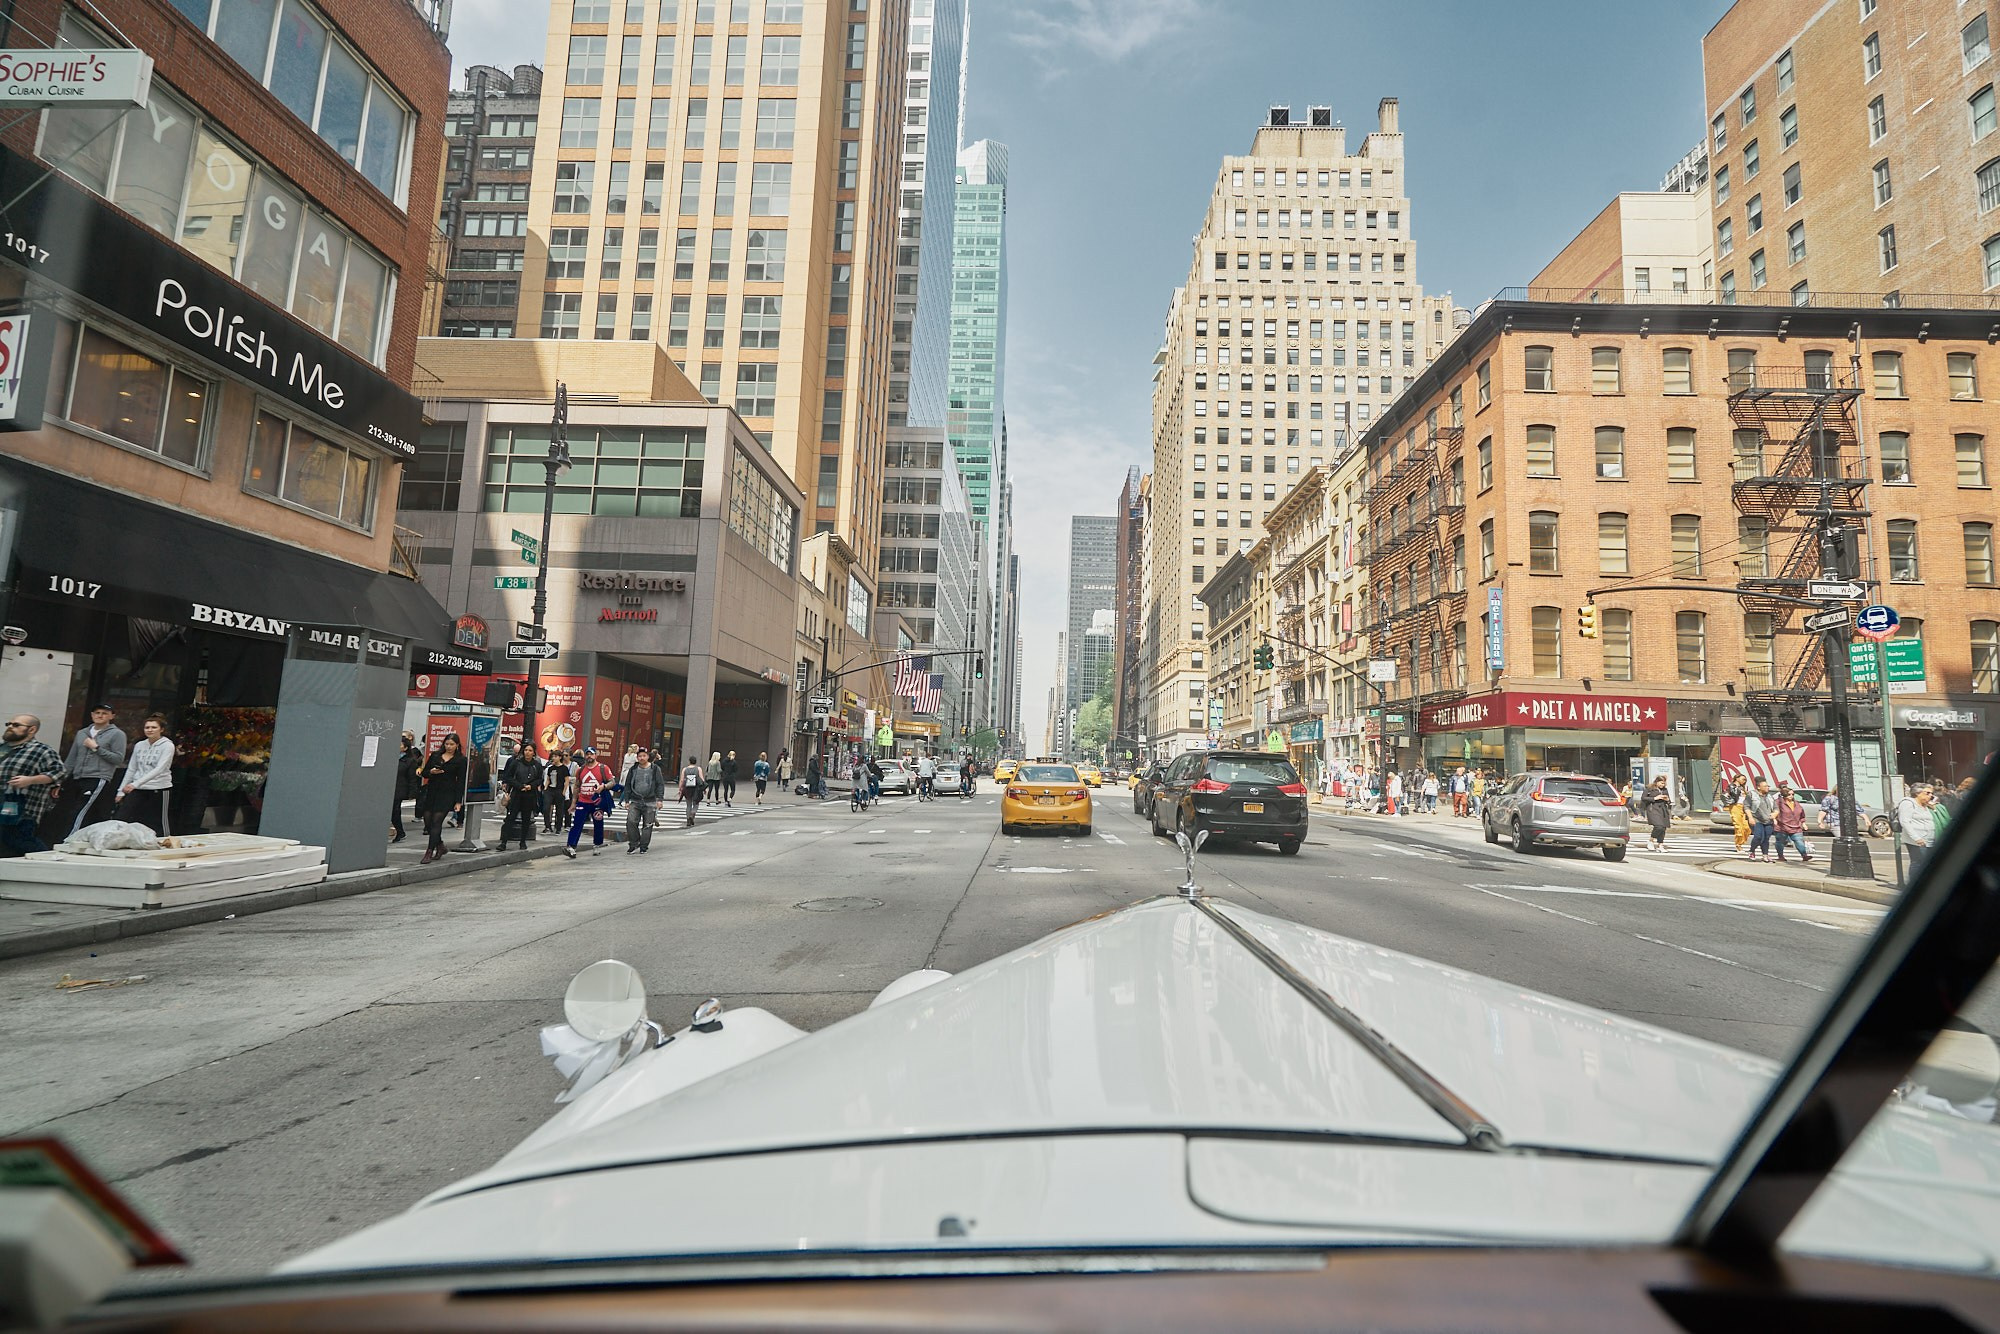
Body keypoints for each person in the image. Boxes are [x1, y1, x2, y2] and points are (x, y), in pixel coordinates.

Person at [49, 704, 126, 842]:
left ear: (111, 716)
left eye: (104, 713)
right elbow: (71, 759)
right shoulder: (82, 733)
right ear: (92, 715)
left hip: (98, 777)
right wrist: (60, 780)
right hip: (78, 776)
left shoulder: (117, 734)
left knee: (80, 810)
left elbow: (118, 759)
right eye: (97, 712)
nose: (100, 715)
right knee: (78, 810)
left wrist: (96, 748)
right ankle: (86, 840)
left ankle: (67, 840)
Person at [0, 713, 66, 857]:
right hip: (2, 803)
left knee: (20, 840)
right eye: (9, 724)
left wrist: (30, 780)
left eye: (16, 725)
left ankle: (47, 862)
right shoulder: (2, 749)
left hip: (23, 809)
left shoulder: (42, 750)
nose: (10, 727)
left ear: (32, 730)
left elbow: (59, 772)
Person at [114, 714, 176, 836]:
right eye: (147, 727)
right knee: (122, 815)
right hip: (138, 788)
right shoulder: (139, 745)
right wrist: (120, 791)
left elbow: (160, 768)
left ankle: (164, 841)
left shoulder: (167, 745)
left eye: (154, 727)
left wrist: (135, 783)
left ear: (161, 729)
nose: (150, 730)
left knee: (157, 820)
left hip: (159, 787)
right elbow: (132, 768)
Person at [415, 733, 465, 865]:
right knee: (428, 821)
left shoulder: (460, 760)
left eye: (452, 744)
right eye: (447, 744)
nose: (449, 747)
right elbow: (424, 772)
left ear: (457, 745)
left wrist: (458, 801)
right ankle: (441, 846)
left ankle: (429, 851)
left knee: (437, 821)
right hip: (432, 790)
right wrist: (431, 772)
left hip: (447, 793)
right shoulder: (435, 756)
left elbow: (461, 781)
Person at [564, 747, 617, 858]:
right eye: (587, 754)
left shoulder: (603, 768)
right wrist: (574, 803)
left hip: (597, 801)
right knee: (577, 823)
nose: (589, 756)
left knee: (598, 824)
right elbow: (577, 786)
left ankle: (597, 844)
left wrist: (603, 786)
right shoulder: (581, 770)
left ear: (596, 755)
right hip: (583, 801)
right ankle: (571, 846)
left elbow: (612, 782)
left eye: (591, 754)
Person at [497, 743, 544, 851]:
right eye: (526, 750)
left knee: (526, 819)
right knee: (511, 817)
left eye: (530, 750)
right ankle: (504, 842)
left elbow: (539, 779)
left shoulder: (536, 765)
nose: (527, 752)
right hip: (517, 793)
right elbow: (508, 776)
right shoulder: (516, 763)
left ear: (534, 753)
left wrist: (530, 786)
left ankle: (523, 841)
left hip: (529, 795)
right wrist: (519, 785)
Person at [623, 748, 666, 852]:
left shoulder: (655, 769)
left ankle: (643, 846)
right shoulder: (633, 769)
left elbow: (660, 784)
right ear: (637, 758)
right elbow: (628, 785)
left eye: (644, 756)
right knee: (631, 821)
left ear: (648, 757)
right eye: (639, 756)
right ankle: (634, 843)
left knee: (647, 825)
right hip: (635, 800)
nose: (642, 758)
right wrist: (627, 800)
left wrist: (659, 799)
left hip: (650, 800)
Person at [1898, 783, 1938, 879]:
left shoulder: (1926, 805)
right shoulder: (1908, 803)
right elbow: (1905, 821)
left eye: (1931, 794)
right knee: (1918, 863)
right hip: (1917, 840)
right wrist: (1916, 838)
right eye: (1927, 793)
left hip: (1929, 839)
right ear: (1917, 793)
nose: (1930, 796)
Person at [1772, 784, 1813, 864]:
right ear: (1784, 795)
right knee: (1780, 842)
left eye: (1793, 794)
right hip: (1782, 826)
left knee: (1799, 841)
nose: (1791, 796)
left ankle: (1804, 855)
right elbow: (1774, 812)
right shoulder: (1778, 802)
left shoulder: (1796, 803)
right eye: (1789, 794)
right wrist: (1774, 819)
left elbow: (1801, 814)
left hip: (1796, 826)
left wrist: (1803, 823)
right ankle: (1781, 856)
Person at [391, 732, 420, 843]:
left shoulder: (409, 760)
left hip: (400, 788)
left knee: (395, 810)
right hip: (391, 788)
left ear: (405, 748)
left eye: (400, 744)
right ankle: (399, 832)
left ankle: (400, 832)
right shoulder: (391, 757)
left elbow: (412, 778)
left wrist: (412, 793)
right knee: (393, 811)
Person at [1746, 778, 1779, 862]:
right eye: (1765, 786)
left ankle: (1765, 854)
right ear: (1758, 787)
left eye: (1768, 786)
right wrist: (1750, 817)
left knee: (1766, 839)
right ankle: (1752, 850)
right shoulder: (1752, 794)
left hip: (1768, 820)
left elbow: (1776, 808)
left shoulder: (1770, 796)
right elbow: (1746, 806)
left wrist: (1775, 814)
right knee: (1758, 837)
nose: (1767, 787)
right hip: (1756, 819)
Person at [1639, 775, 1674, 852]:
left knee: (1663, 827)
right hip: (1653, 809)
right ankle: (1651, 840)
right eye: (1661, 783)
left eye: (1664, 783)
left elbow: (1668, 800)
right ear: (1657, 782)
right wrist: (1655, 798)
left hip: (1663, 809)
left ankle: (1660, 844)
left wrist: (1667, 799)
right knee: (1659, 826)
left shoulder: (1665, 790)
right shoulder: (1649, 789)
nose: (1663, 785)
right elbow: (1643, 798)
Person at [544, 750, 572, 833]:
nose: (554, 758)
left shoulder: (564, 768)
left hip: (559, 789)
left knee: (559, 810)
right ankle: (548, 826)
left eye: (556, 756)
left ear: (560, 757)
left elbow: (566, 780)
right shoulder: (550, 768)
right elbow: (548, 779)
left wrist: (564, 791)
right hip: (550, 789)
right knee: (546, 808)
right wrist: (545, 788)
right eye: (553, 756)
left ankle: (558, 827)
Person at [679, 754, 706, 827]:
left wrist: (680, 789)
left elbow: (682, 780)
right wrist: (704, 788)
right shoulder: (698, 769)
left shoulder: (685, 769)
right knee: (696, 803)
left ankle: (688, 819)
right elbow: (701, 778)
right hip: (696, 788)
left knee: (688, 804)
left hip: (687, 788)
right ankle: (692, 814)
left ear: (689, 761)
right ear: (695, 762)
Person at [1728, 779, 1752, 854]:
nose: (1744, 781)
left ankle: (1741, 842)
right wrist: (1737, 787)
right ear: (1737, 778)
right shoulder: (1732, 786)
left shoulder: (1743, 788)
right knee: (1739, 826)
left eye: (1745, 780)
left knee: (1747, 828)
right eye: (1743, 779)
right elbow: (1733, 793)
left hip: (1744, 807)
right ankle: (1738, 845)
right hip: (1735, 806)